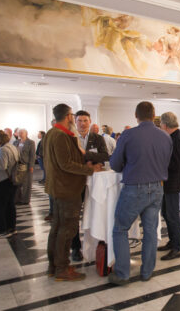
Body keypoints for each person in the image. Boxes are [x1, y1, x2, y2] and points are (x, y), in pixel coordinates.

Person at [108, 101, 172, 285]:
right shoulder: (165, 136)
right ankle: (147, 271)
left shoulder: (128, 134)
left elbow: (114, 164)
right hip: (157, 187)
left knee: (120, 228)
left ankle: (122, 273)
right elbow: (165, 161)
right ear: (154, 116)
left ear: (136, 116)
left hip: (135, 188)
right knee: (151, 231)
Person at [44, 104, 101, 281]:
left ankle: (53, 265)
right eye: (73, 116)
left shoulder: (51, 133)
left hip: (59, 187)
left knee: (58, 227)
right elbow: (65, 164)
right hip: (66, 188)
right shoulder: (60, 135)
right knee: (66, 230)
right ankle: (62, 267)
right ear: (69, 116)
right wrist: (90, 170)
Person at [71, 110, 109, 262]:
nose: (82, 123)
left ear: (90, 121)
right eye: (79, 120)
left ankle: (96, 241)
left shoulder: (97, 138)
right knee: (74, 216)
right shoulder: (70, 138)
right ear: (75, 122)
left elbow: (105, 156)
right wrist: (88, 162)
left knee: (95, 211)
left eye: (85, 120)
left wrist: (84, 155)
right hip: (76, 181)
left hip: (94, 182)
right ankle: (75, 248)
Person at [157, 112, 180, 260]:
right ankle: (173, 242)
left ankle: (178, 248)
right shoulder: (174, 136)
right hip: (169, 180)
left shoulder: (178, 138)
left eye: (160, 124)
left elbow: (177, 164)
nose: (160, 127)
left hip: (173, 181)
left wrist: (159, 163)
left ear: (165, 125)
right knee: (166, 213)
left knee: (172, 215)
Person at [0, 130, 19, 238]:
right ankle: (11, 228)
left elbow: (1, 167)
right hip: (12, 180)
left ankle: (2, 229)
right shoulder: (11, 146)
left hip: (3, 180)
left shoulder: (3, 149)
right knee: (10, 205)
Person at [14, 129, 36, 205]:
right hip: (17, 165)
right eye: (19, 133)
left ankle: (25, 200)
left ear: (26, 134)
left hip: (26, 164)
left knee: (26, 183)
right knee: (17, 183)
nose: (20, 134)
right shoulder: (15, 142)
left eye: (22, 133)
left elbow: (32, 155)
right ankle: (17, 199)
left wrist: (31, 166)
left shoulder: (30, 142)